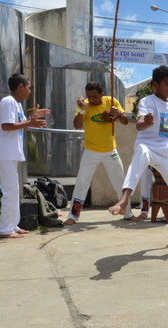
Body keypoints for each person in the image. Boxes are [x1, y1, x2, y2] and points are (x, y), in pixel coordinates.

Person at [108, 65, 168, 254]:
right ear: (155, 86)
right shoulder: (147, 101)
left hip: (165, 155)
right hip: (147, 147)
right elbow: (139, 125)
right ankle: (124, 198)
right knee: (140, 153)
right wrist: (144, 122)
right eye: (167, 84)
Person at [63, 81, 135, 225]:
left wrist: (119, 113)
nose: (92, 99)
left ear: (102, 94)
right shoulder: (85, 105)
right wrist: (82, 110)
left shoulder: (111, 101)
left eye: (95, 96)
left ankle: (128, 213)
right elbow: (77, 126)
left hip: (110, 150)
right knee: (82, 182)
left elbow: (125, 122)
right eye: (89, 96)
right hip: (91, 150)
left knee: (120, 181)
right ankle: (73, 216)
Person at [0, 73, 50, 238]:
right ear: (20, 87)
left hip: (11, 153)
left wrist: (34, 117)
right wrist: (31, 122)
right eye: (28, 87)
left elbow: (22, 124)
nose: (30, 92)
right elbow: (7, 126)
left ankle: (12, 225)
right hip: (5, 152)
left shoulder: (16, 104)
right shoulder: (8, 102)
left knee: (14, 190)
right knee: (9, 191)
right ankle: (4, 229)